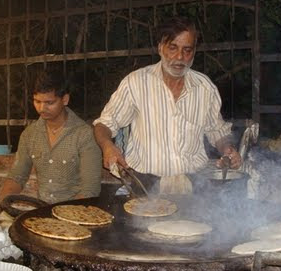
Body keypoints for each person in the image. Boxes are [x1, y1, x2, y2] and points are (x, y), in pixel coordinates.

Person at [93, 16, 241, 194]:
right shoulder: (136, 83)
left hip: (194, 184)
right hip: (145, 184)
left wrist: (227, 149)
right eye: (173, 48)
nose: (180, 57)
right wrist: (108, 146)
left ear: (194, 52)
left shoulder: (205, 88)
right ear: (160, 47)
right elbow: (104, 124)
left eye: (187, 50)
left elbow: (218, 131)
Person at [0, 71, 102, 220]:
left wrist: (58, 219)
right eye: (37, 101)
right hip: (42, 215)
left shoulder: (84, 135)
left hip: (76, 216)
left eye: (49, 103)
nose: (42, 108)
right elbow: (17, 177)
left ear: (65, 99)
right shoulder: (29, 134)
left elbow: (90, 190)